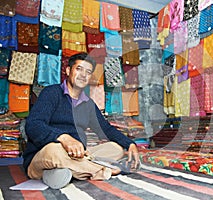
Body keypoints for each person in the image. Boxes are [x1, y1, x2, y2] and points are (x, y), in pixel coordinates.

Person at [22, 52, 140, 189]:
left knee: (116, 149)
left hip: (78, 156)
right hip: (45, 154)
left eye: (88, 72)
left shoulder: (88, 104)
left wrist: (130, 144)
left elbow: (106, 129)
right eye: (79, 69)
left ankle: (67, 172)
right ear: (68, 70)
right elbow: (33, 125)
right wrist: (64, 138)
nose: (83, 75)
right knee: (54, 150)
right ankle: (101, 170)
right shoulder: (51, 93)